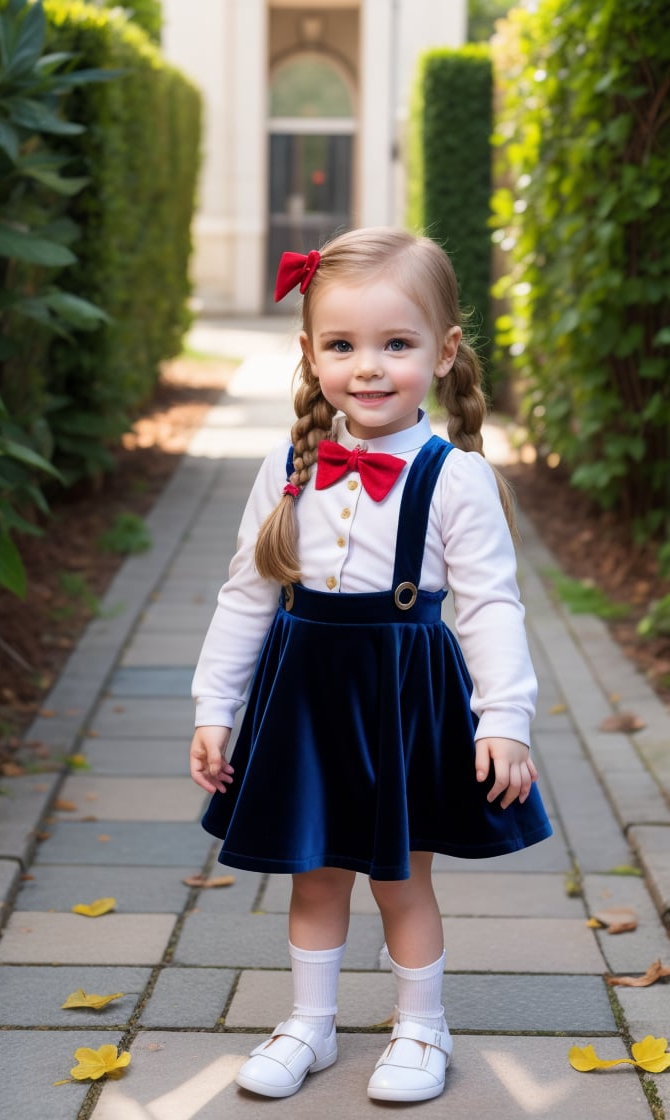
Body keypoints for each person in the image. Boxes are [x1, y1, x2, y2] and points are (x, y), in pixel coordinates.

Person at [189, 226, 552, 1103]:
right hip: (304, 696)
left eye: (398, 344)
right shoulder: (285, 465)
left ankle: (421, 1030)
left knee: (400, 873)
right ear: (309, 353)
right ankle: (309, 1025)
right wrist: (215, 706)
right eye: (344, 346)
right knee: (312, 870)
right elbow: (246, 595)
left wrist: (504, 719)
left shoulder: (454, 476)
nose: (370, 367)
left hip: (402, 699)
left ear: (444, 349)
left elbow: (492, 605)